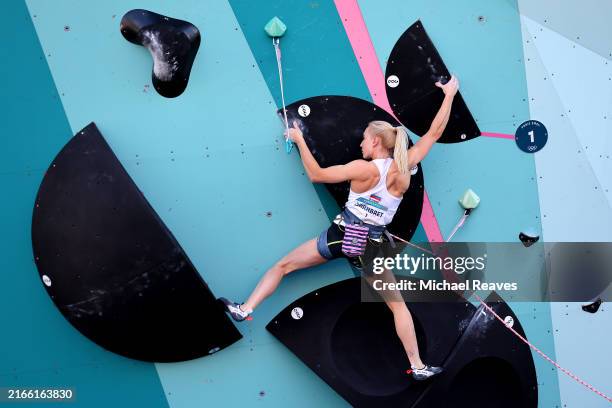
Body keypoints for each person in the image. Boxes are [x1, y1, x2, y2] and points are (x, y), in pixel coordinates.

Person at [221, 75, 460, 381]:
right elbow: (434, 132)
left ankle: (246, 308)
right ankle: (417, 366)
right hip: (372, 250)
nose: (360, 143)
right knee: (398, 308)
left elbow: (317, 175)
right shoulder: (404, 168)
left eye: (363, 138)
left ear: (375, 142)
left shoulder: (363, 169)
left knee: (283, 266)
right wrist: (449, 94)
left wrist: (300, 140)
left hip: (342, 237)